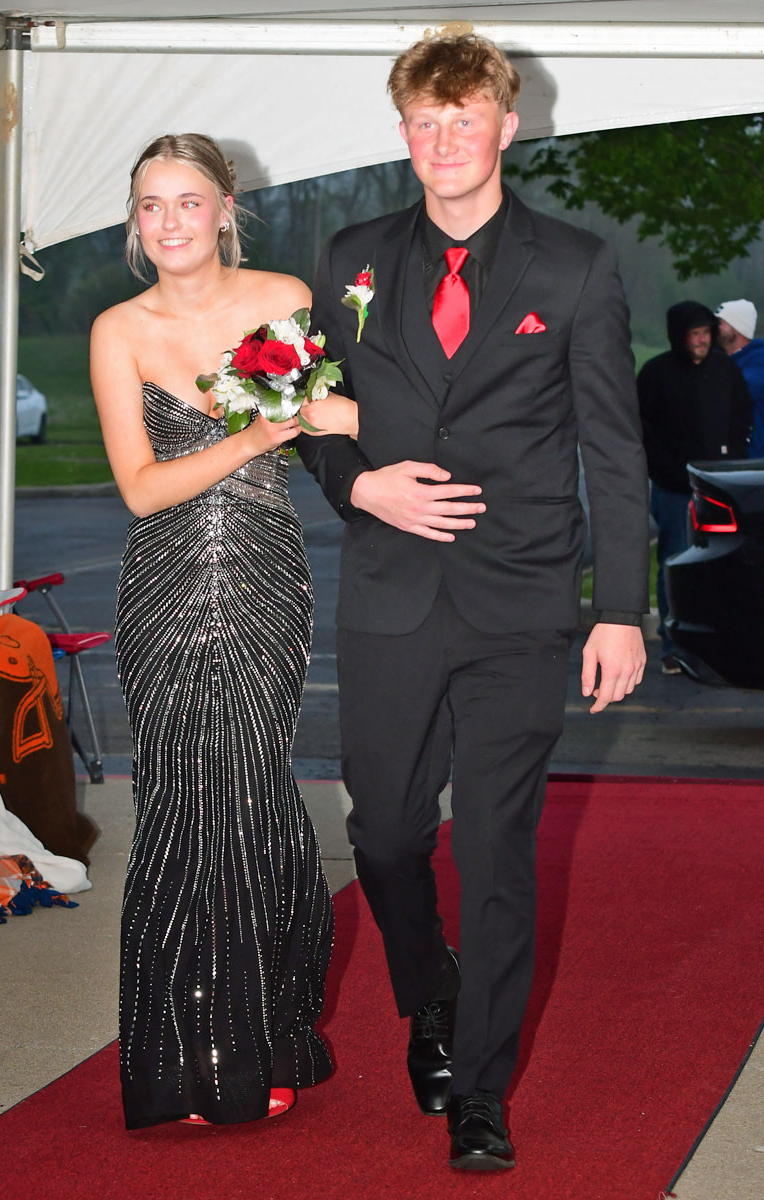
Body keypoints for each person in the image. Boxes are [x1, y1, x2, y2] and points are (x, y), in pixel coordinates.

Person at [298, 33, 649, 1172]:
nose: (445, 139)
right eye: (425, 121)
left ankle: (479, 1091)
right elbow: (313, 411)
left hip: (521, 601)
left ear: (507, 124)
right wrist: (360, 485)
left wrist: (619, 609)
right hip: (389, 594)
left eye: (465, 118)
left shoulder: (576, 266)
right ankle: (430, 990)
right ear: (403, 132)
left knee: (497, 848)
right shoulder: (349, 258)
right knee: (387, 832)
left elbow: (613, 448)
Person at [90, 133, 344, 1130]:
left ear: (225, 209)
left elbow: (326, 417)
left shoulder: (284, 298)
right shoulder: (119, 329)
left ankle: (260, 1040)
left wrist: (434, 434)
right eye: (150, 205)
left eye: (187, 202)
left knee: (249, 799)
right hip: (162, 588)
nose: (169, 223)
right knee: (179, 804)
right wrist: (249, 437)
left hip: (265, 582)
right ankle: (180, 1061)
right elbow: (141, 488)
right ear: (134, 220)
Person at [638, 300, 751, 672]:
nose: (701, 340)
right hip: (673, 490)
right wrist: (668, 471)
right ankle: (674, 647)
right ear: (678, 336)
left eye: (706, 333)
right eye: (694, 334)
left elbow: (741, 417)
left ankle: (716, 644)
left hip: (719, 488)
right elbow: (642, 430)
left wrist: (732, 459)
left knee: (723, 565)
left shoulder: (726, 370)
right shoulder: (655, 374)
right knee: (675, 563)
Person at [715, 299, 764, 458]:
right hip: (722, 456)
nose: (713, 328)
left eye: (720, 323)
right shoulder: (713, 358)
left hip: (753, 460)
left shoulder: (759, 361)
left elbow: (734, 394)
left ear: (737, 328)